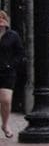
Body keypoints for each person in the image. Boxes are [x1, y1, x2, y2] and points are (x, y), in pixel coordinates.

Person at [0, 9, 25, 138]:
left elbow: (20, 53)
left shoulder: (12, 35)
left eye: (2, 19)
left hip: (7, 72)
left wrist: (11, 65)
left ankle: (5, 124)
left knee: (5, 99)